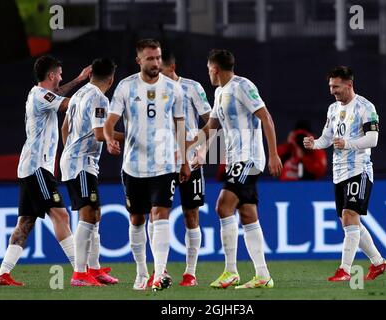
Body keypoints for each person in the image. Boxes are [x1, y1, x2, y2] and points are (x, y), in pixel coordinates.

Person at [0, 55, 91, 286]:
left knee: (25, 222)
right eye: (59, 74)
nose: (61, 77)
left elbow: (57, 95)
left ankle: (3, 274)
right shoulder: (39, 95)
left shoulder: (40, 94)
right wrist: (91, 91)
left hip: (32, 167)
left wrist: (78, 80)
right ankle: (80, 272)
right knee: (61, 215)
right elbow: (65, 104)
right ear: (50, 75)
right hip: (37, 167)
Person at [190, 49, 282, 289]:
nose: (208, 73)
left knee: (223, 205)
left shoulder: (243, 86)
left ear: (215, 69)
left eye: (209, 69)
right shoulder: (220, 92)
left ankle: (231, 271)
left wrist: (273, 154)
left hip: (248, 159)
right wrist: (197, 149)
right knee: (247, 213)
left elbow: (266, 118)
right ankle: (263, 274)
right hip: (234, 160)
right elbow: (212, 125)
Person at [104, 39, 190, 291]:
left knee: (161, 213)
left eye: (158, 58)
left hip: (164, 164)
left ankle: (159, 273)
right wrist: (109, 138)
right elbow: (110, 121)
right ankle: (142, 272)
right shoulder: (126, 87)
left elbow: (180, 125)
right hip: (133, 166)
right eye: (150, 58)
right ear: (139, 60)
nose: (155, 63)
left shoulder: (173, 89)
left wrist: (184, 160)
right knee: (137, 219)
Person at [303, 66, 386, 281]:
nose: (332, 90)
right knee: (349, 222)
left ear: (349, 84)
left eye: (336, 86)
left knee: (350, 216)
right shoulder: (332, 109)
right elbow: (326, 138)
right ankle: (378, 263)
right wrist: (313, 144)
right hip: (339, 172)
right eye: (330, 86)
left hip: (359, 169)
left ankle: (345, 270)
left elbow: (373, 139)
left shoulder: (365, 107)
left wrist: (348, 143)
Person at [148, 51, 212, 287]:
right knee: (156, 214)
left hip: (190, 159)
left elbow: (211, 120)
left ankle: (190, 273)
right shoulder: (152, 90)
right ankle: (158, 271)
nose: (156, 74)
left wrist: (204, 151)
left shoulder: (192, 87)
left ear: (171, 67)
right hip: (161, 161)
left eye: (160, 69)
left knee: (191, 214)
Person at [60, 58, 121, 286]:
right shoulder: (99, 98)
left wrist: (69, 150)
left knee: (94, 213)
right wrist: (133, 137)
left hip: (77, 161)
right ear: (111, 79)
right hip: (81, 163)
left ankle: (94, 270)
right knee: (88, 213)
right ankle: (79, 273)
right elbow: (99, 134)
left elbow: (64, 127)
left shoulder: (78, 94)